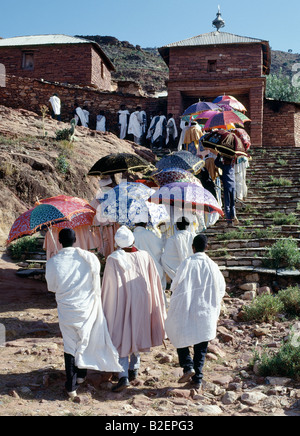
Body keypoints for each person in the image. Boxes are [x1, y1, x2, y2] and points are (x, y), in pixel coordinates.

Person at [45, 228, 122, 399]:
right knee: (84, 339)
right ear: (75, 241)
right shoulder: (89, 258)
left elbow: (52, 287)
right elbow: (96, 278)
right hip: (86, 307)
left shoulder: (52, 262)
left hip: (67, 310)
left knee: (70, 345)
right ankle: (81, 376)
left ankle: (71, 385)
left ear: (59, 241)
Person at [101, 226, 166, 393]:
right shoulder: (145, 256)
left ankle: (123, 375)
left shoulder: (113, 259)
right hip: (143, 301)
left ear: (117, 243)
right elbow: (154, 281)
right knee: (138, 331)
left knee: (121, 333)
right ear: (133, 241)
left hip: (121, 302)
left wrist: (106, 307)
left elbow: (109, 287)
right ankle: (134, 370)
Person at [165, 234, 226, 389]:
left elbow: (175, 284)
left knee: (178, 333)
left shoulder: (187, 262)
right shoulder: (213, 265)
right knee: (201, 344)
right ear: (207, 247)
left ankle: (187, 366)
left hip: (187, 306)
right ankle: (197, 378)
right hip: (205, 310)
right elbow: (221, 288)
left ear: (192, 247)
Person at [133, 222, 166, 290]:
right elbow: (160, 249)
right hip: (153, 271)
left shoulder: (131, 236)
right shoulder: (151, 235)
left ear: (134, 224)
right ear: (145, 223)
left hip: (136, 274)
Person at [215, 154, 239, 226]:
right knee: (232, 204)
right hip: (233, 186)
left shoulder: (224, 166)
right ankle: (234, 215)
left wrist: (219, 156)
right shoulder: (232, 167)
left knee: (227, 204)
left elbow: (216, 162)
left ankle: (229, 221)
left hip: (227, 187)